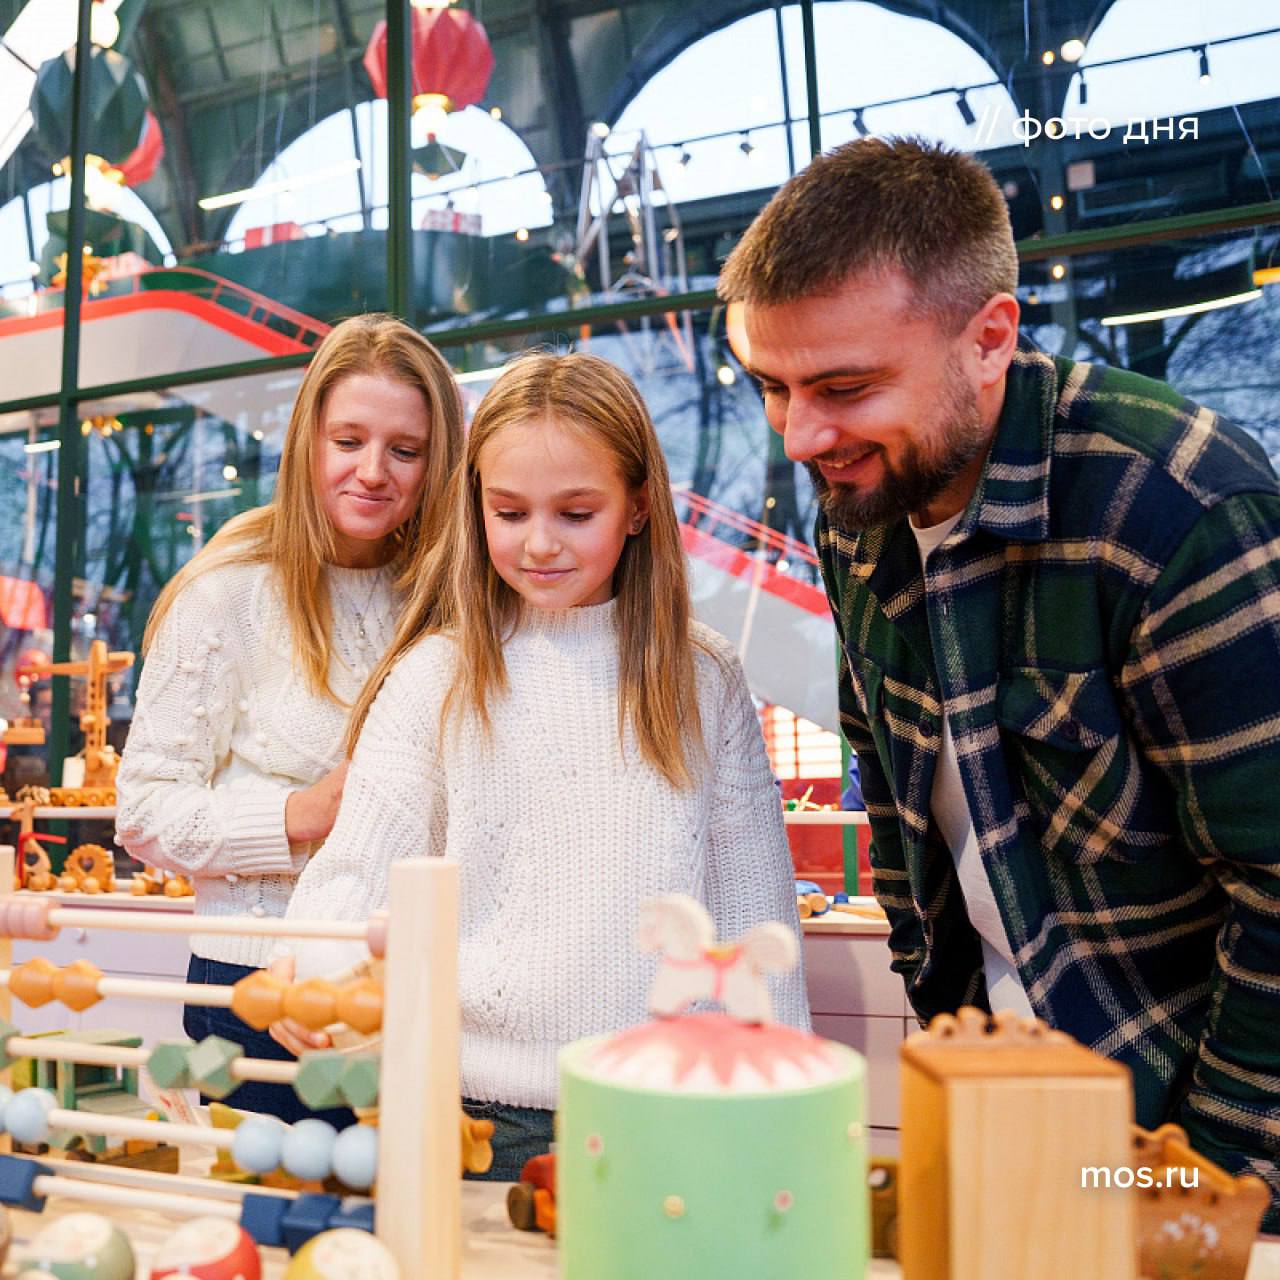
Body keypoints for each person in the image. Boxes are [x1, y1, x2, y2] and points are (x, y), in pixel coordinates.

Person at [718, 136, 1280, 1220]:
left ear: (988, 339)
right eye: (770, 387)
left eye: (842, 385)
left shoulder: (1173, 508)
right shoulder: (863, 512)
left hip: (1191, 1140)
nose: (798, 436)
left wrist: (1184, 1186)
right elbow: (893, 806)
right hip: (1003, 1112)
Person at [270, 352, 809, 1179]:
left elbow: (753, 919)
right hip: (472, 1117)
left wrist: (780, 1105)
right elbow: (352, 882)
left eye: (576, 512)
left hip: (670, 1112)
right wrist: (316, 974)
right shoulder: (433, 678)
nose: (540, 543)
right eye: (510, 512)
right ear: (475, 503)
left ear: (635, 509)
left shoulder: (703, 681)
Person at [115, 313, 464, 1122]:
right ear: (307, 441)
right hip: (253, 990)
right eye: (348, 441)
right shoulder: (224, 594)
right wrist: (305, 814)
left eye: (404, 450)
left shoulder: (447, 598)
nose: (373, 471)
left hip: (407, 982)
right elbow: (142, 813)